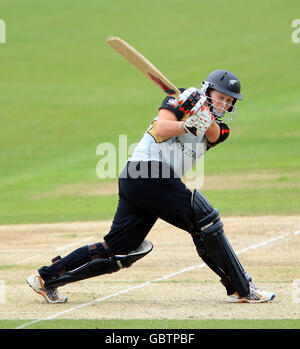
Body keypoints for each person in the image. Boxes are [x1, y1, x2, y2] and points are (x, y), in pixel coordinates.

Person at [27, 69, 275, 304]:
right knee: (205, 220)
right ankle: (242, 288)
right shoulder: (178, 98)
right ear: (207, 91)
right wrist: (186, 121)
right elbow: (161, 128)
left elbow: (212, 134)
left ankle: (46, 278)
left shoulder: (221, 128)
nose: (223, 104)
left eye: (229, 101)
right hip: (145, 171)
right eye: (220, 97)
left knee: (118, 251)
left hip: (145, 182)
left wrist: (202, 114)